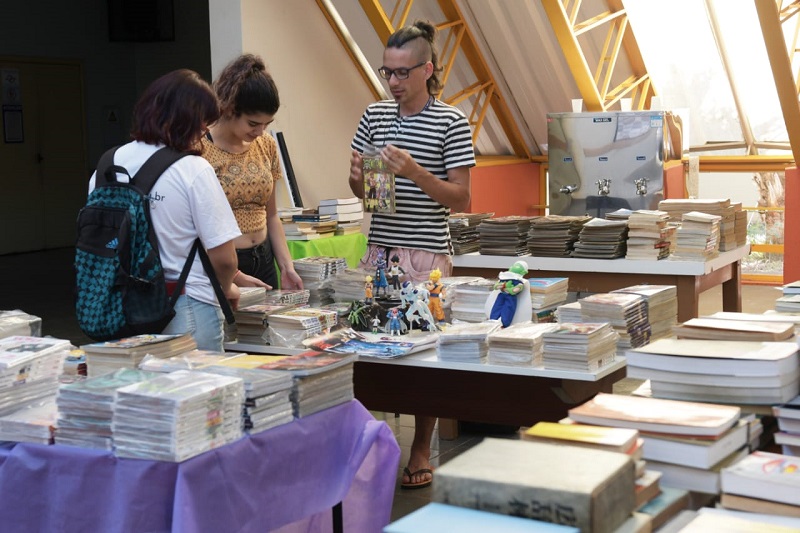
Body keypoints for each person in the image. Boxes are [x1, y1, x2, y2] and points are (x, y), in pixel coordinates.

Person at [348, 20, 476, 490]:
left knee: (425, 358)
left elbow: (460, 199)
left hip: (426, 254)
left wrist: (416, 171)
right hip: (381, 250)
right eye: (387, 73)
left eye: (402, 73)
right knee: (369, 350)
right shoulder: (376, 117)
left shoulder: (451, 122)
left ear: (428, 69)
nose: (394, 82)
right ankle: (371, 443)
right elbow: (371, 199)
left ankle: (421, 445)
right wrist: (359, 177)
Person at [87, 69, 242, 351]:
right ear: (183, 119)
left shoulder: (106, 166)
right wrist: (226, 287)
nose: (205, 131)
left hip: (117, 310)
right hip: (184, 308)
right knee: (200, 393)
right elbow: (225, 259)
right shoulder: (192, 169)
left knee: (138, 393)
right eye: (202, 122)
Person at [202, 54, 303, 291]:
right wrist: (234, 276)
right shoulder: (200, 148)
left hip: (265, 258)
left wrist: (286, 266)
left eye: (266, 124)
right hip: (225, 265)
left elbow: (271, 215)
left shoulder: (266, 145)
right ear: (229, 109)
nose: (260, 131)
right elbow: (197, 229)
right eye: (253, 123)